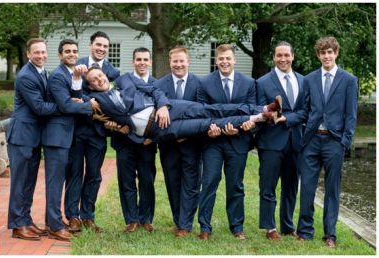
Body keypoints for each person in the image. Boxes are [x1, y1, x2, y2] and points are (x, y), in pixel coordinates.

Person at [84, 67, 279, 144]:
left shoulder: (126, 79)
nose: (99, 80)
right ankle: (259, 118)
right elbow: (116, 126)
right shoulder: (96, 102)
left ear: (104, 75)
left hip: (168, 109)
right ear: (91, 85)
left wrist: (162, 106)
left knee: (210, 109)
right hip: (159, 130)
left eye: (99, 75)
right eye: (94, 80)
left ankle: (262, 110)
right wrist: (132, 135)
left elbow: (155, 91)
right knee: (207, 123)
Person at [296, 36, 357, 248]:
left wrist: (344, 141)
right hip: (312, 140)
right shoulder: (309, 79)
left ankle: (330, 234)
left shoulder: (349, 80)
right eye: (323, 53)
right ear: (318, 55)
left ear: (336, 53)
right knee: (307, 188)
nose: (326, 56)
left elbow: (351, 114)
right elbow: (305, 110)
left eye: (330, 52)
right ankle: (304, 231)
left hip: (334, 141)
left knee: (332, 189)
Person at [196, 44, 257, 240]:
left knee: (235, 185)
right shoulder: (204, 83)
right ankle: (205, 226)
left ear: (234, 60)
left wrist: (238, 126)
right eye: (221, 59)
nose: (224, 62)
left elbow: (250, 110)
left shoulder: (248, 83)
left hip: (238, 140)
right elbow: (202, 111)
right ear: (216, 61)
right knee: (209, 181)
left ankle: (237, 226)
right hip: (213, 141)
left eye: (228, 58)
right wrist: (212, 129)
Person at [64, 31, 119, 234]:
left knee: (94, 175)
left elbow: (114, 99)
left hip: (98, 133)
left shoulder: (114, 72)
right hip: (78, 130)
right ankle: (73, 217)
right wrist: (89, 103)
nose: (101, 48)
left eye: (105, 46)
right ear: (91, 45)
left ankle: (88, 216)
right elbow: (69, 95)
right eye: (98, 44)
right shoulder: (75, 65)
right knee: (74, 173)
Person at [254, 41, 307, 241]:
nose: (283, 59)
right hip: (270, 141)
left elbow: (306, 111)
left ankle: (287, 225)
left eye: (286, 55)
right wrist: (267, 113)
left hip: (296, 141)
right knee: (268, 186)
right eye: (279, 56)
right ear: (274, 58)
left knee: (291, 186)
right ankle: (269, 227)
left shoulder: (304, 81)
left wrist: (289, 118)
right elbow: (257, 109)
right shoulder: (262, 82)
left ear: (293, 56)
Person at [7, 38, 57, 241]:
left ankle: (26, 220)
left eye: (44, 52)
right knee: (19, 182)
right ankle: (17, 225)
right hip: (22, 137)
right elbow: (39, 107)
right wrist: (65, 105)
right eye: (37, 52)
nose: (41, 56)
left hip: (34, 137)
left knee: (29, 182)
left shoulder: (43, 72)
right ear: (28, 54)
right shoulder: (26, 76)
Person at [43, 39, 94, 241]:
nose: (72, 54)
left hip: (66, 136)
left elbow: (75, 97)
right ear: (60, 55)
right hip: (56, 137)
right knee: (55, 183)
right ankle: (55, 226)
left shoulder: (70, 74)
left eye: (74, 51)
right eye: (67, 51)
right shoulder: (57, 76)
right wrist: (92, 106)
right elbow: (65, 106)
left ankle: (51, 221)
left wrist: (77, 85)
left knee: (58, 182)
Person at [153, 46, 203, 237]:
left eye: (182, 61)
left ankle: (185, 224)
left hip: (192, 143)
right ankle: (178, 219)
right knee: (172, 182)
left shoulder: (199, 83)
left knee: (191, 183)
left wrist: (186, 133)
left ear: (188, 61)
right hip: (168, 144)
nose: (179, 64)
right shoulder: (160, 85)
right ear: (170, 62)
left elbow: (201, 112)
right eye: (175, 61)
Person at [110, 47, 161, 233]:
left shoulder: (157, 84)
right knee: (127, 180)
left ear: (150, 62)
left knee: (147, 180)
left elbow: (163, 114)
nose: (142, 62)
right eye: (138, 59)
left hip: (147, 142)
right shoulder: (122, 81)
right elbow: (111, 104)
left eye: (145, 59)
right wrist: (116, 125)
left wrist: (154, 137)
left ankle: (146, 218)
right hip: (124, 140)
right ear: (133, 61)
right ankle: (131, 219)